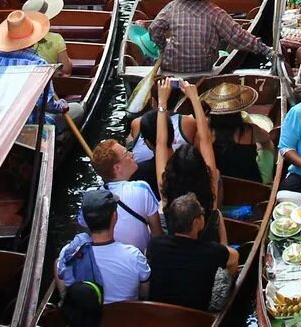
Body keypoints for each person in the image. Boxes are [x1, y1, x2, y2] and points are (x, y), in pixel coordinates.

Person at [147, 0, 273, 75]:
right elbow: (238, 37)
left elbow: (154, 29)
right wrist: (265, 49)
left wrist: (163, 47)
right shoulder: (215, 13)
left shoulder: (172, 7)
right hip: (202, 67)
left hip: (171, 64)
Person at [154, 78, 224, 244]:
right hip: (207, 246)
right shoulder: (210, 183)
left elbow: (160, 143)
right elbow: (206, 140)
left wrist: (162, 102)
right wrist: (194, 99)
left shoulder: (165, 188)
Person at [0, 9, 84, 124]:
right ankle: (58, 136)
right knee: (78, 110)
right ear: (33, 40)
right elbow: (47, 104)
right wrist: (62, 105)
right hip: (31, 123)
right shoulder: (39, 64)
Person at [55, 188, 150, 304]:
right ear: (115, 216)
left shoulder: (70, 252)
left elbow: (65, 278)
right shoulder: (134, 256)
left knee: (57, 262)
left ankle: (63, 299)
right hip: (125, 317)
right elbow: (145, 293)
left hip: (88, 318)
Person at [147, 193, 239, 311]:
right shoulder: (212, 252)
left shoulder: (155, 245)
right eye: (202, 213)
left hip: (158, 313)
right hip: (196, 316)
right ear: (196, 222)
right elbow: (235, 256)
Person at [88, 139, 161, 252]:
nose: (132, 154)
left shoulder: (93, 200)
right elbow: (157, 235)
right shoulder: (141, 188)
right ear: (117, 168)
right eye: (127, 153)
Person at [200, 82, 271, 183]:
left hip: (218, 182)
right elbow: (267, 140)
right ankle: (269, 181)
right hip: (251, 184)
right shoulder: (251, 130)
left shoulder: (205, 133)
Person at [24, 0, 74, 75]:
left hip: (29, 77)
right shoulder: (57, 39)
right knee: (68, 65)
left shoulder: (21, 41)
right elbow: (66, 69)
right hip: (49, 77)